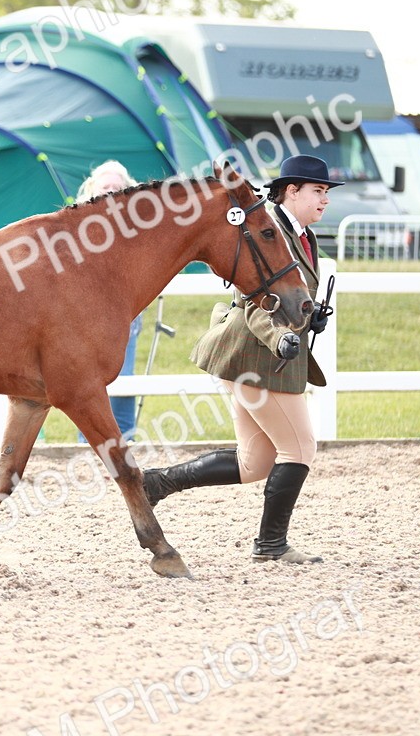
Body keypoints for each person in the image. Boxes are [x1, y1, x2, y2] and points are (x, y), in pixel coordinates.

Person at [141, 154, 338, 564]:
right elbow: (253, 300)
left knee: (255, 463)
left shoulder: (302, 234)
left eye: (325, 193)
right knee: (300, 447)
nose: (324, 201)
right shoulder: (266, 226)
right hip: (257, 357)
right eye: (317, 191)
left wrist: (307, 313)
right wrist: (281, 334)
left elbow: (287, 292)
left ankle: (157, 483)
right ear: (291, 191)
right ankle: (270, 545)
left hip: (260, 359)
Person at [75, 160, 144, 441]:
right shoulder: (77, 223)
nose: (111, 192)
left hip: (126, 314)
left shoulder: (137, 227)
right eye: (106, 187)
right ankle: (87, 442)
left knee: (124, 375)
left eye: (118, 188)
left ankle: (125, 439)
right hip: (85, 315)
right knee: (86, 380)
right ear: (93, 189)